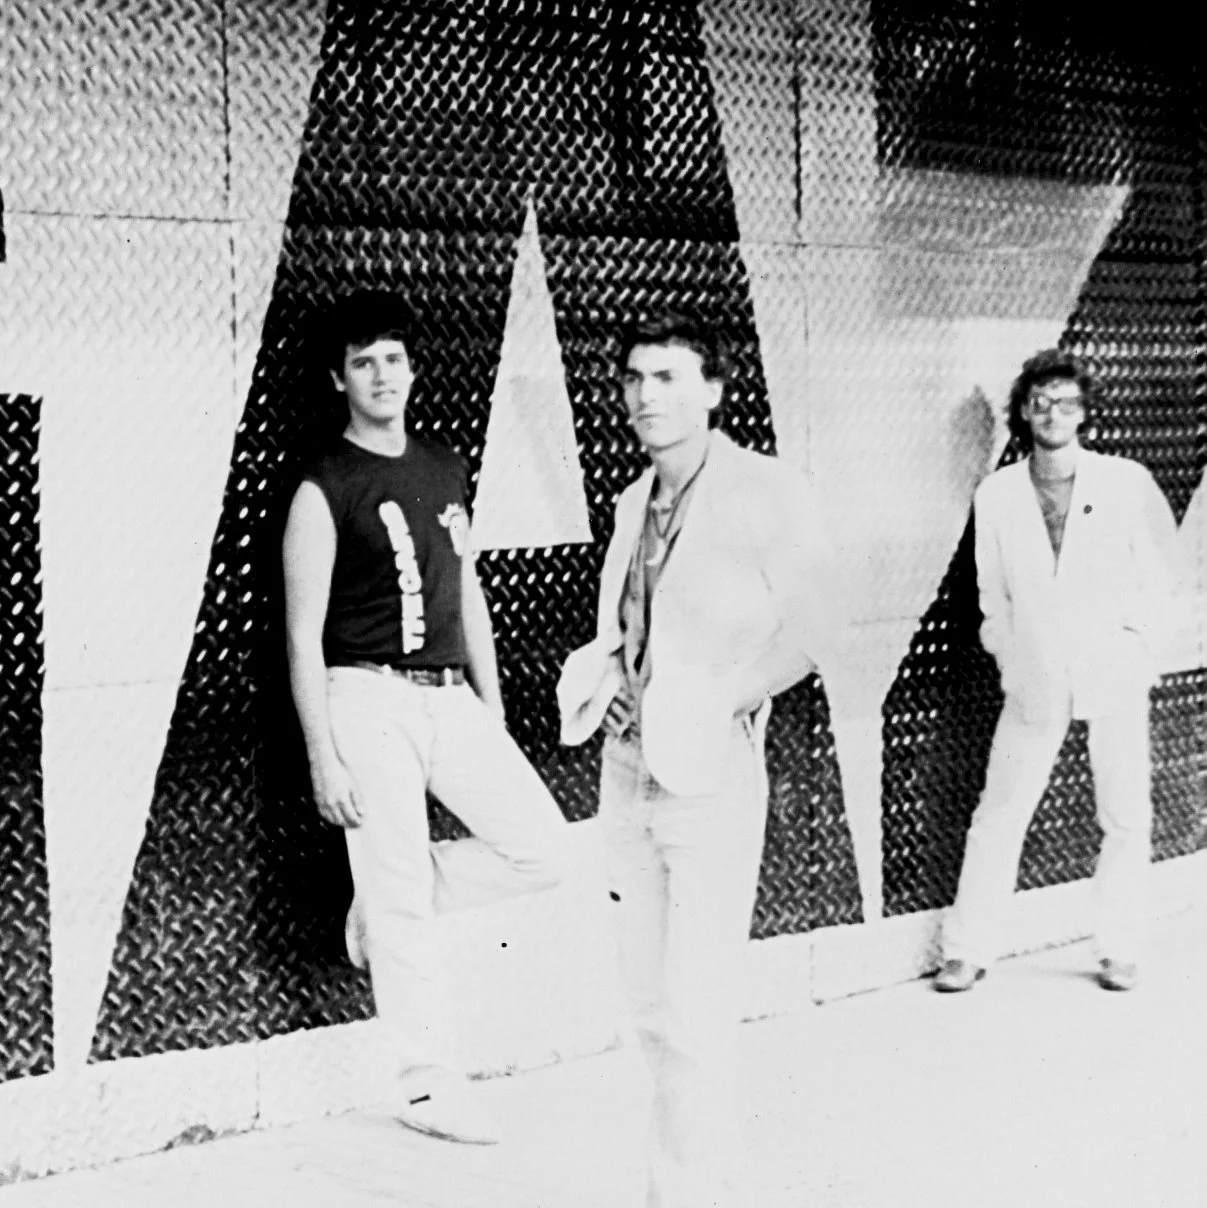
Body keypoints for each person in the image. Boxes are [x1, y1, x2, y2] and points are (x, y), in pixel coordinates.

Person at [557, 312, 839, 1208]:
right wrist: (605, 672)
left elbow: (814, 632)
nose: (645, 396)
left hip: (711, 773)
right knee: (647, 1006)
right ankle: (694, 1183)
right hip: (627, 768)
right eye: (635, 378)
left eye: (668, 377)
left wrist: (722, 698)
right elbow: (633, 626)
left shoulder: (766, 488)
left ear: (714, 390)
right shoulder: (634, 502)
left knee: (696, 1008)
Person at [282, 290, 571, 1143]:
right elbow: (301, 634)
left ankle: (381, 896)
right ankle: (426, 1087)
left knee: (546, 850)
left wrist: (493, 704)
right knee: (402, 897)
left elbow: (467, 591)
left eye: (393, 359)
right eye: (363, 362)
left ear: (412, 370)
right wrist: (321, 760)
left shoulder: (443, 466)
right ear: (339, 379)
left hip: (449, 696)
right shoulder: (321, 484)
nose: (381, 375)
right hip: (363, 696)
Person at [936, 348, 1185, 994]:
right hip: (1034, 680)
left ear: (1083, 412)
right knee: (998, 813)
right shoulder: (994, 496)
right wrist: (1011, 659)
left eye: (1065, 402)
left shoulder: (1125, 481)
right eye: (1040, 402)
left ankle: (1119, 948)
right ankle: (966, 950)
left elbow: (1161, 580)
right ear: (1023, 410)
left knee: (1125, 816)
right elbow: (992, 598)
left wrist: (1135, 646)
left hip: (1114, 674)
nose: (1052, 413)